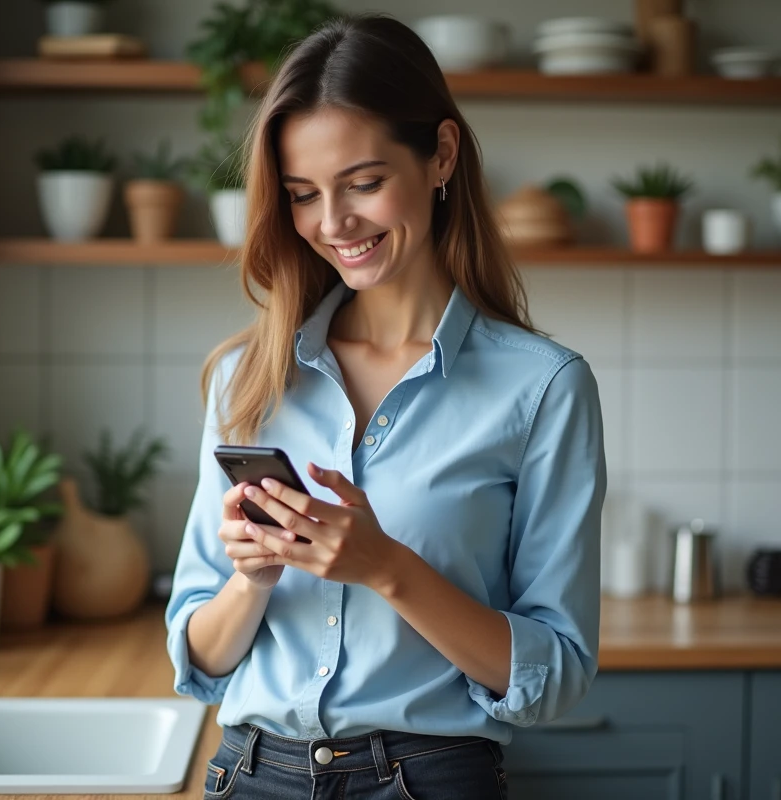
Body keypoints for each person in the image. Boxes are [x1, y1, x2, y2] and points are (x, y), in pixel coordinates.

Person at [166, 13, 606, 799]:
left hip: (430, 779)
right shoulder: (250, 376)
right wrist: (254, 578)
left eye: (364, 184)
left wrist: (387, 569)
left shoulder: (542, 388)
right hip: (251, 774)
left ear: (441, 154)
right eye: (304, 195)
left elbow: (556, 673)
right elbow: (197, 658)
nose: (334, 224)